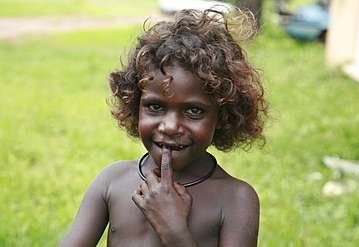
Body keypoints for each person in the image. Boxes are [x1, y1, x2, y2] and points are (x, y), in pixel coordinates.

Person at [59, 7, 269, 247]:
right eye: (156, 107)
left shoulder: (235, 200)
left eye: (194, 111)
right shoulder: (112, 181)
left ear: (223, 115)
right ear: (135, 104)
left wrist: (174, 231)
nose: (170, 127)